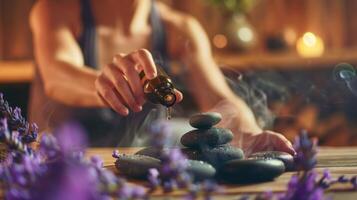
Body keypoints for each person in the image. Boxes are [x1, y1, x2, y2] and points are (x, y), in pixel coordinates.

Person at [29, 0, 295, 155]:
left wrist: (247, 133)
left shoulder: (180, 28)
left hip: (140, 174)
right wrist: (102, 84)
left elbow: (219, 99)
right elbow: (57, 75)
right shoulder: (56, 11)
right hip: (61, 169)